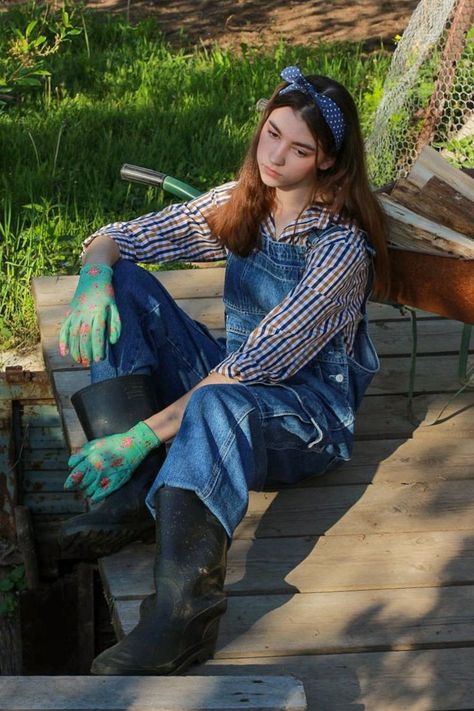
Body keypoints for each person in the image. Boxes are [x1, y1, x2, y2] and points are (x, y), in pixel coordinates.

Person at [58, 66, 389, 675]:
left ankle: (183, 616)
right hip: (231, 382)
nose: (277, 157)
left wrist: (137, 434)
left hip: (302, 422)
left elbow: (259, 365)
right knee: (127, 284)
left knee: (217, 402)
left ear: (327, 162)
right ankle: (137, 494)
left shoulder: (339, 250)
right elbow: (123, 237)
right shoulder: (246, 205)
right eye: (272, 135)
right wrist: (97, 276)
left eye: (300, 149)